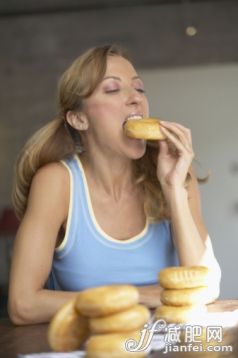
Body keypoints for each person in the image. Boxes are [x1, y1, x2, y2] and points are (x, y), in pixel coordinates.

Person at [8, 44, 221, 325]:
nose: (135, 99)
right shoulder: (57, 182)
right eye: (112, 89)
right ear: (79, 118)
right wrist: (139, 295)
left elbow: (206, 287)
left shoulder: (177, 174)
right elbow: (23, 305)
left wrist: (174, 191)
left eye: (139, 88)